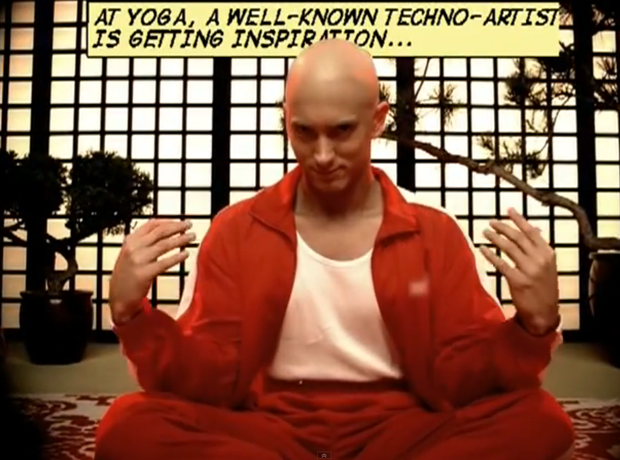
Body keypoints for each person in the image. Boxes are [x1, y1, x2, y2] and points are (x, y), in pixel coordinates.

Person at [94, 39, 575, 460]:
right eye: (304, 132)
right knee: (128, 426)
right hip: (269, 429)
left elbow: (461, 376)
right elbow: (211, 377)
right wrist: (133, 315)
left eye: (342, 131)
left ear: (378, 120)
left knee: (540, 420)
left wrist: (532, 327)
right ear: (287, 122)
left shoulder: (433, 232)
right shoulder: (238, 229)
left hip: (402, 430)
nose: (322, 156)